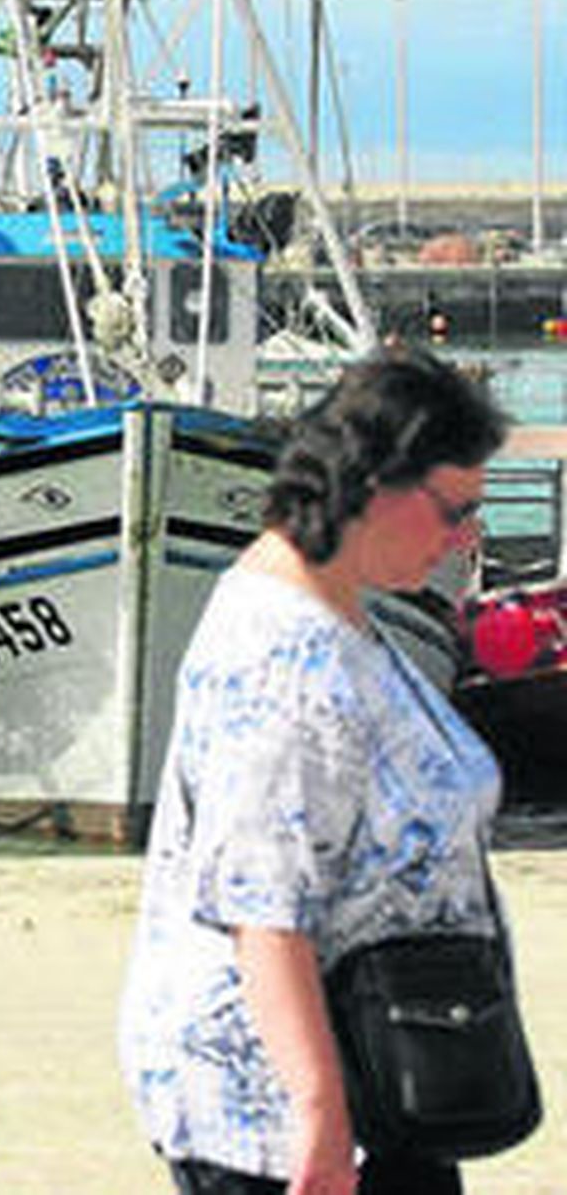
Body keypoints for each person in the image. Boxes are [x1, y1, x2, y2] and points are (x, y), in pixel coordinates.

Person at [118, 347, 512, 1195]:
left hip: (382, 1064)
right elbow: (262, 907)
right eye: (455, 511)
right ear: (375, 484)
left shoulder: (336, 615)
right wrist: (320, 1118)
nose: (466, 537)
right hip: (276, 1108)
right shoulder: (281, 657)